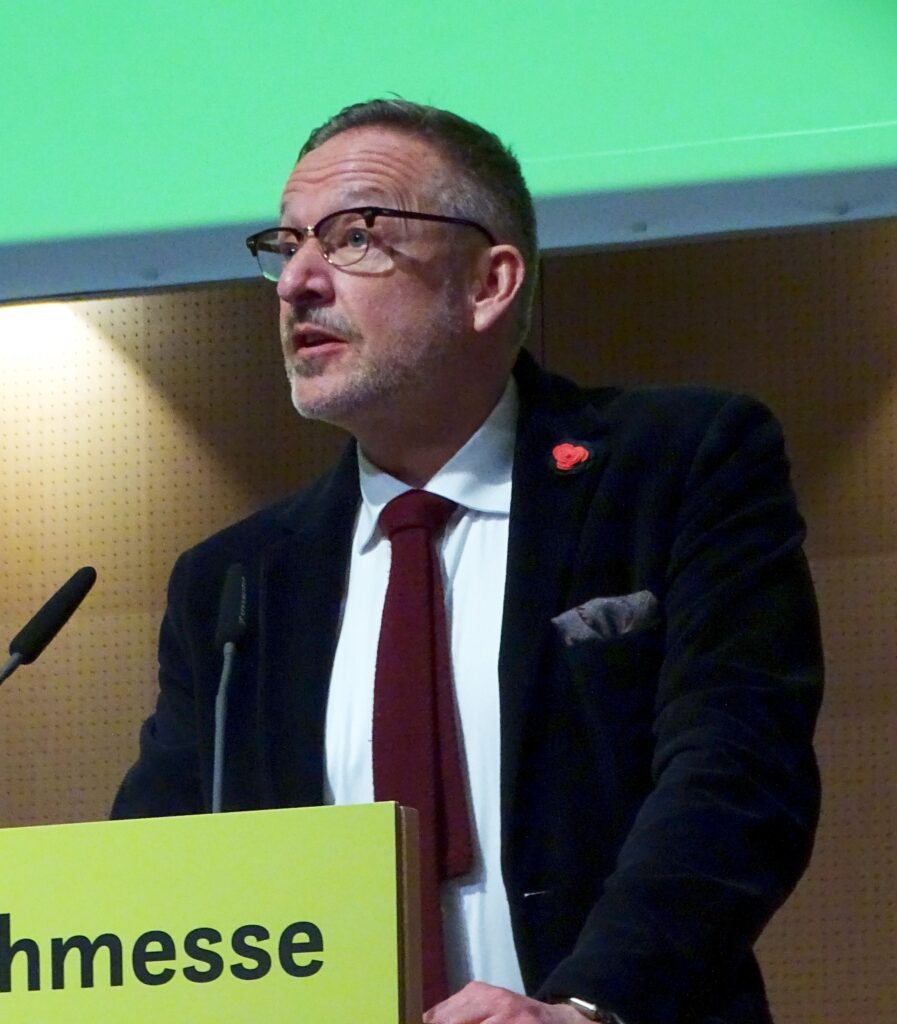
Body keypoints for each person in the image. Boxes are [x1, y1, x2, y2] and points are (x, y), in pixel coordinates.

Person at [112, 99, 824, 1024]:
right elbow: (153, 870)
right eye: (285, 246)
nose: (296, 282)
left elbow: (737, 774)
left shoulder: (677, 466)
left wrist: (584, 1006)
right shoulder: (235, 582)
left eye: (354, 237)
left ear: (489, 283)